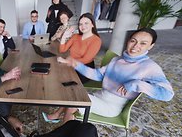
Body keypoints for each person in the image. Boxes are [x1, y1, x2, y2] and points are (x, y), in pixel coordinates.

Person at [44, 28, 174, 123]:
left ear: (151, 46)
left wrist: (138, 84)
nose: (135, 46)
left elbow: (168, 94)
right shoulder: (117, 60)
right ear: (128, 41)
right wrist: (77, 64)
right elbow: (97, 76)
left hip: (111, 106)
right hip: (100, 96)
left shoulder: (149, 67)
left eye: (143, 43)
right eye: (133, 41)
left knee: (73, 102)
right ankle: (58, 118)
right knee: (73, 94)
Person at [56, 13, 102, 84]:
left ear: (92, 25)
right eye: (80, 24)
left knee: (63, 80)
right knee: (57, 74)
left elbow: (85, 60)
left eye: (86, 23)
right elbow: (62, 50)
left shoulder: (96, 40)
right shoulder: (76, 36)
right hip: (72, 65)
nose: (83, 26)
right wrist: (64, 36)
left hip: (84, 69)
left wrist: (66, 61)